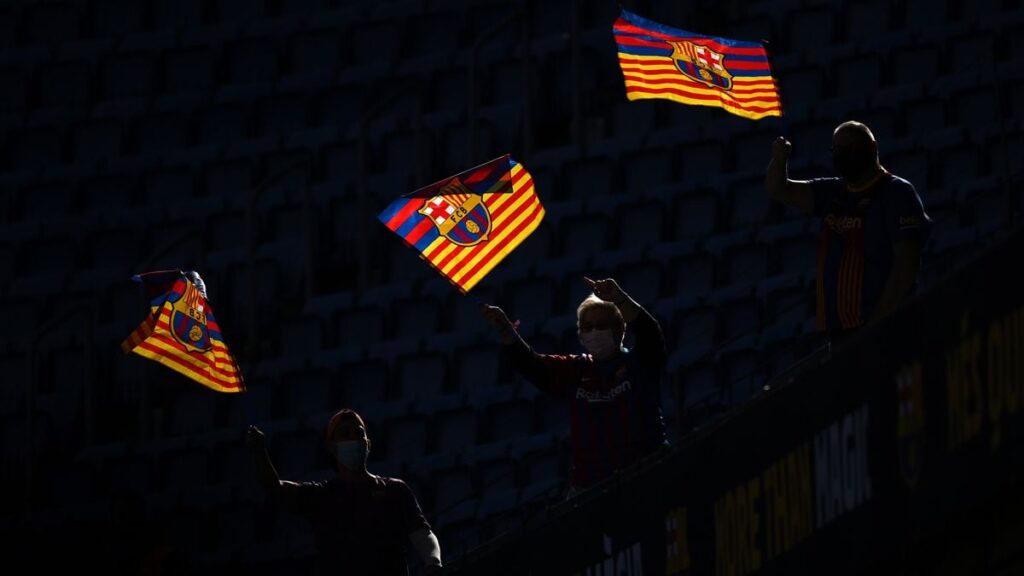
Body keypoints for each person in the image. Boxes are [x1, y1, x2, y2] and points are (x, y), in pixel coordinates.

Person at [481, 277, 668, 493]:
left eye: (602, 325)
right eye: (587, 327)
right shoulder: (575, 370)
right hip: (592, 490)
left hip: (649, 479)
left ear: (620, 330)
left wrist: (618, 298)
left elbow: (649, 332)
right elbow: (530, 365)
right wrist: (505, 328)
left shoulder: (641, 363)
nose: (594, 331)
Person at [765, 120, 931, 343]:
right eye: (837, 150)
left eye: (849, 149)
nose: (841, 156)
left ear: (871, 148)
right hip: (840, 331)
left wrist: (878, 321)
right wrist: (779, 158)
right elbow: (779, 189)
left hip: (883, 329)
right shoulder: (833, 192)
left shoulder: (896, 192)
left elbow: (906, 264)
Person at [247, 409, 442, 575]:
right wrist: (259, 452)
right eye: (345, 433)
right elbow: (276, 489)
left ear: (368, 443)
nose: (354, 438)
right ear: (331, 447)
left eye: (359, 432)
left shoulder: (395, 490)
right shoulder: (323, 495)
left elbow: (422, 534)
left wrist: (433, 561)